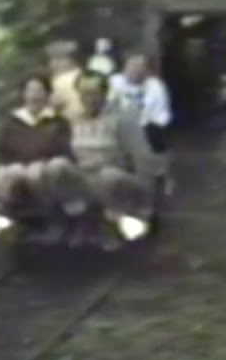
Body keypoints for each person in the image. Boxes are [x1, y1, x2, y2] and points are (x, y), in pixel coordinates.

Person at [59, 71, 160, 242]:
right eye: (84, 93)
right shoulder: (71, 118)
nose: (89, 98)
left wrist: (147, 193)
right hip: (84, 177)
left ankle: (114, 223)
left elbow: (141, 156)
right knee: (59, 168)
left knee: (108, 177)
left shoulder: (122, 117)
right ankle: (73, 224)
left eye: (94, 93)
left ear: (104, 94)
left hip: (117, 178)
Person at [0, 75, 75, 212]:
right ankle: (8, 211)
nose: (35, 96)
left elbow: (64, 151)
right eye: (30, 91)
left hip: (48, 168)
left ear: (47, 94)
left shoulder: (58, 122)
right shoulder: (12, 123)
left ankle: (50, 211)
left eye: (39, 91)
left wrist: (41, 163)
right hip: (18, 167)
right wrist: (15, 166)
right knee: (6, 175)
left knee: (36, 173)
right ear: (23, 95)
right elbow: (3, 153)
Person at [108, 53, 173, 166]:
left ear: (146, 70)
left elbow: (161, 112)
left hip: (147, 126)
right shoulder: (114, 81)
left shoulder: (155, 85)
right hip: (120, 125)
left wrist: (150, 124)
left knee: (154, 134)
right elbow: (108, 105)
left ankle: (159, 173)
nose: (136, 70)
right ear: (125, 67)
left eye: (140, 67)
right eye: (132, 66)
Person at [47, 40, 86, 122]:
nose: (51, 64)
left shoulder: (60, 81)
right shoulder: (85, 75)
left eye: (53, 60)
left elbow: (56, 104)